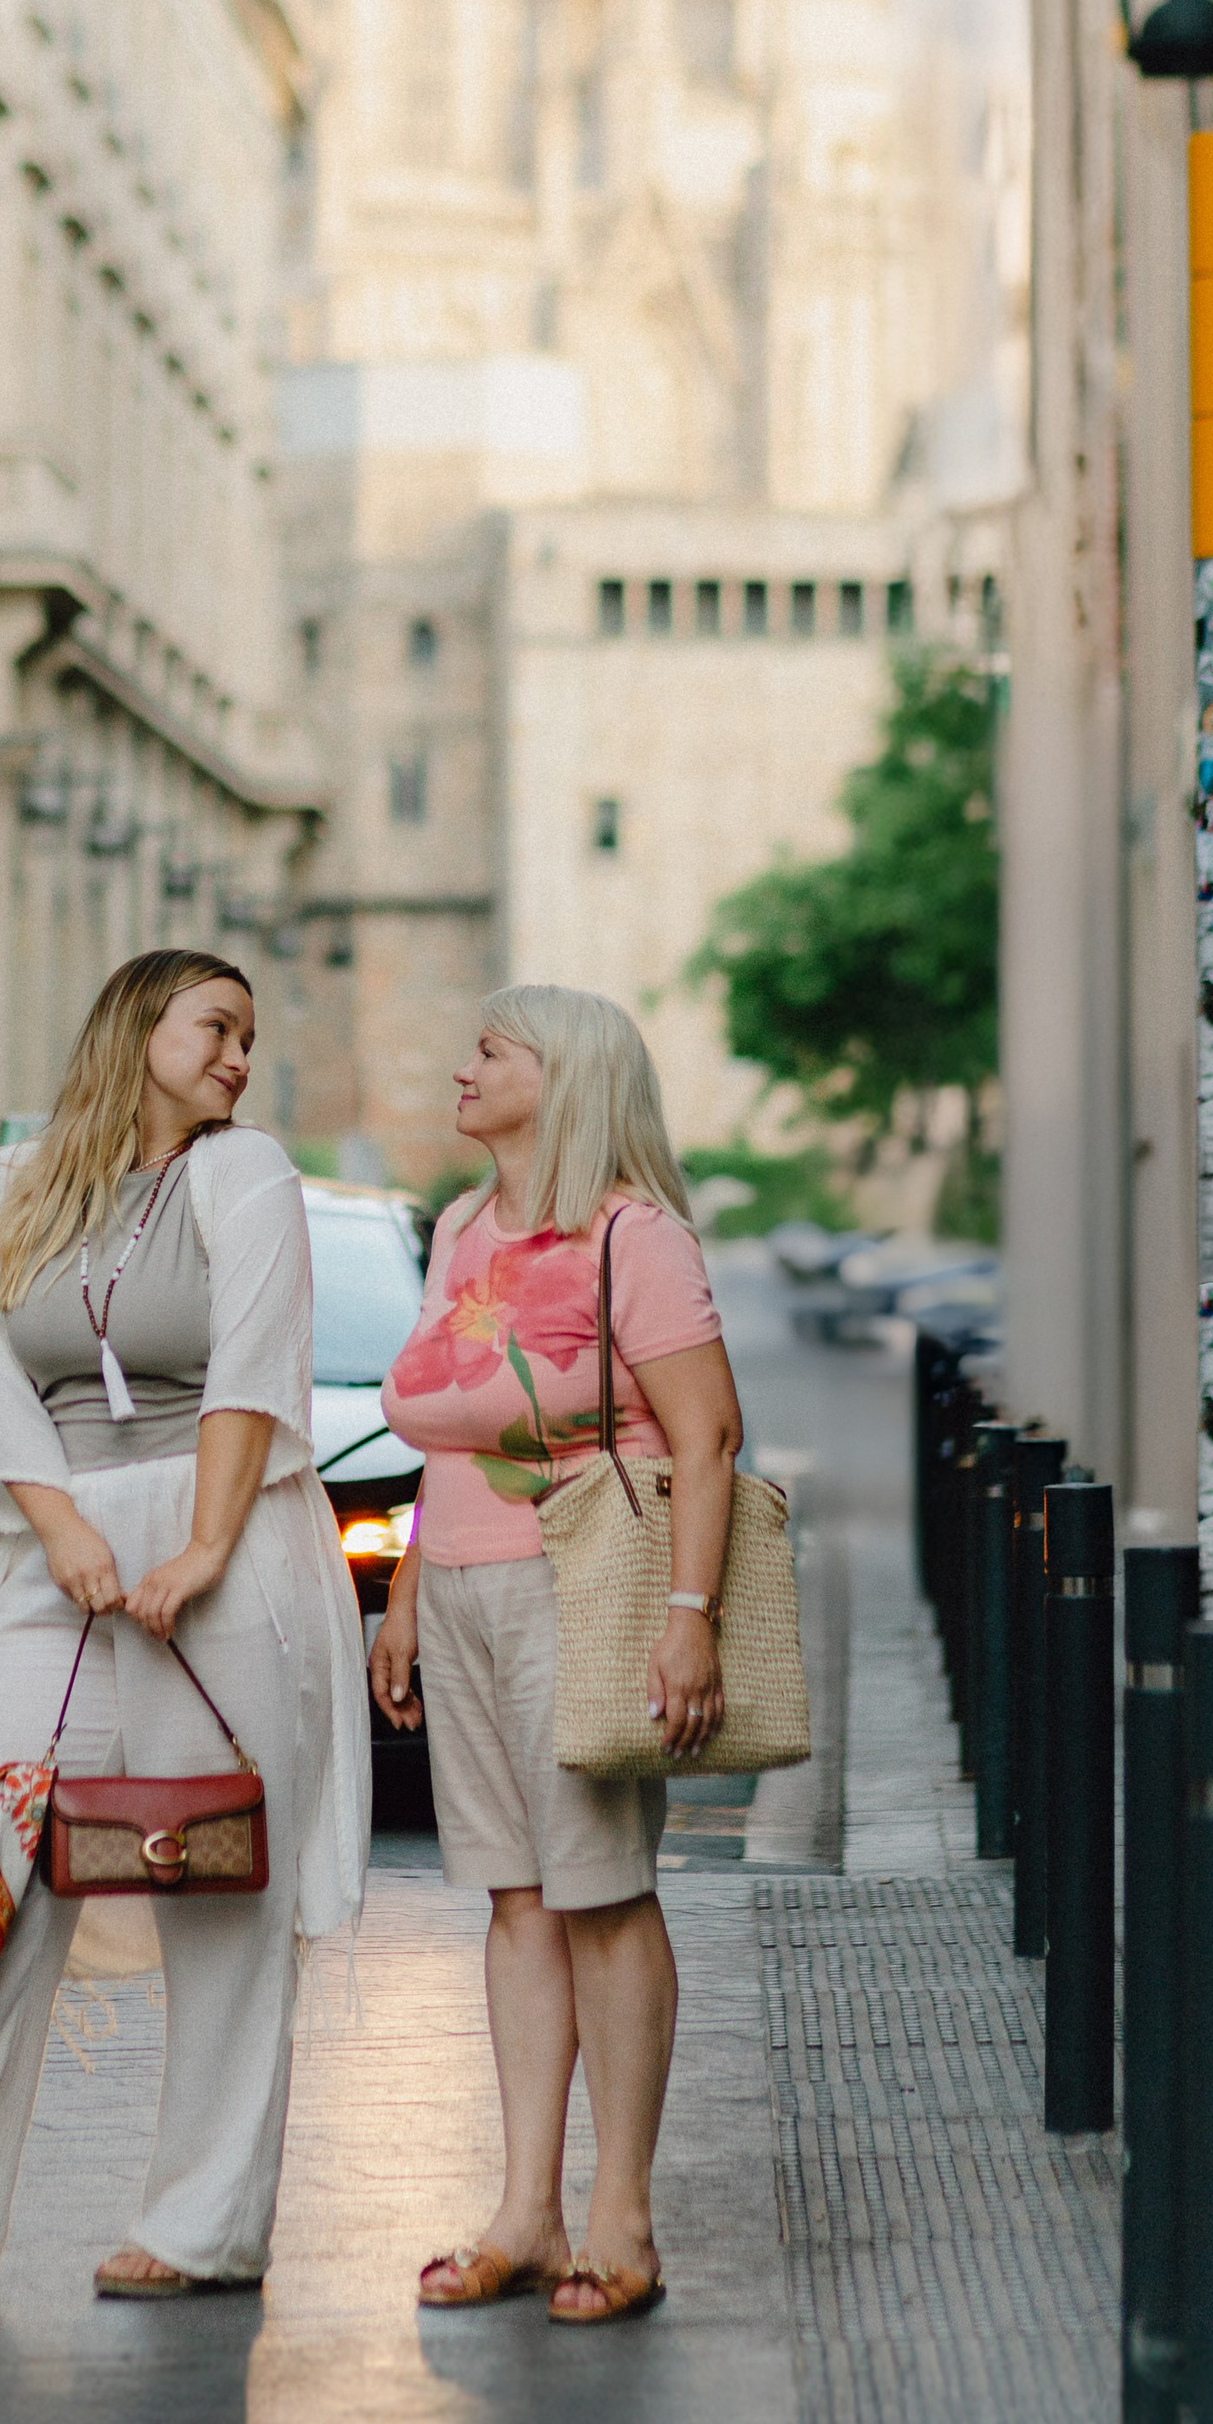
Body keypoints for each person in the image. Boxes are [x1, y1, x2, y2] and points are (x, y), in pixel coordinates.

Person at [0, 949, 370, 2324]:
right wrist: (65, 1537)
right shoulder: (13, 1186)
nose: (239, 1057)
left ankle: (203, 2223)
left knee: (225, 1882)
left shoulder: (249, 1175)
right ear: (135, 1023)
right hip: (51, 1544)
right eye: (215, 1027)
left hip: (230, 1543)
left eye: (249, 1037)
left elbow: (254, 1369)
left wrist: (203, 1553)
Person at [367, 983, 743, 2328]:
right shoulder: (463, 1224)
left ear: (565, 1078)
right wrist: (409, 1584)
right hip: (462, 1588)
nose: (458, 1069)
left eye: (489, 1051)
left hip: (586, 1594)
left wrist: (687, 1614)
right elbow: (450, 1428)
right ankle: (522, 2213)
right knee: (515, 1898)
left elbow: (705, 1434)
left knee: (599, 1891)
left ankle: (619, 2220)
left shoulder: (629, 1237)